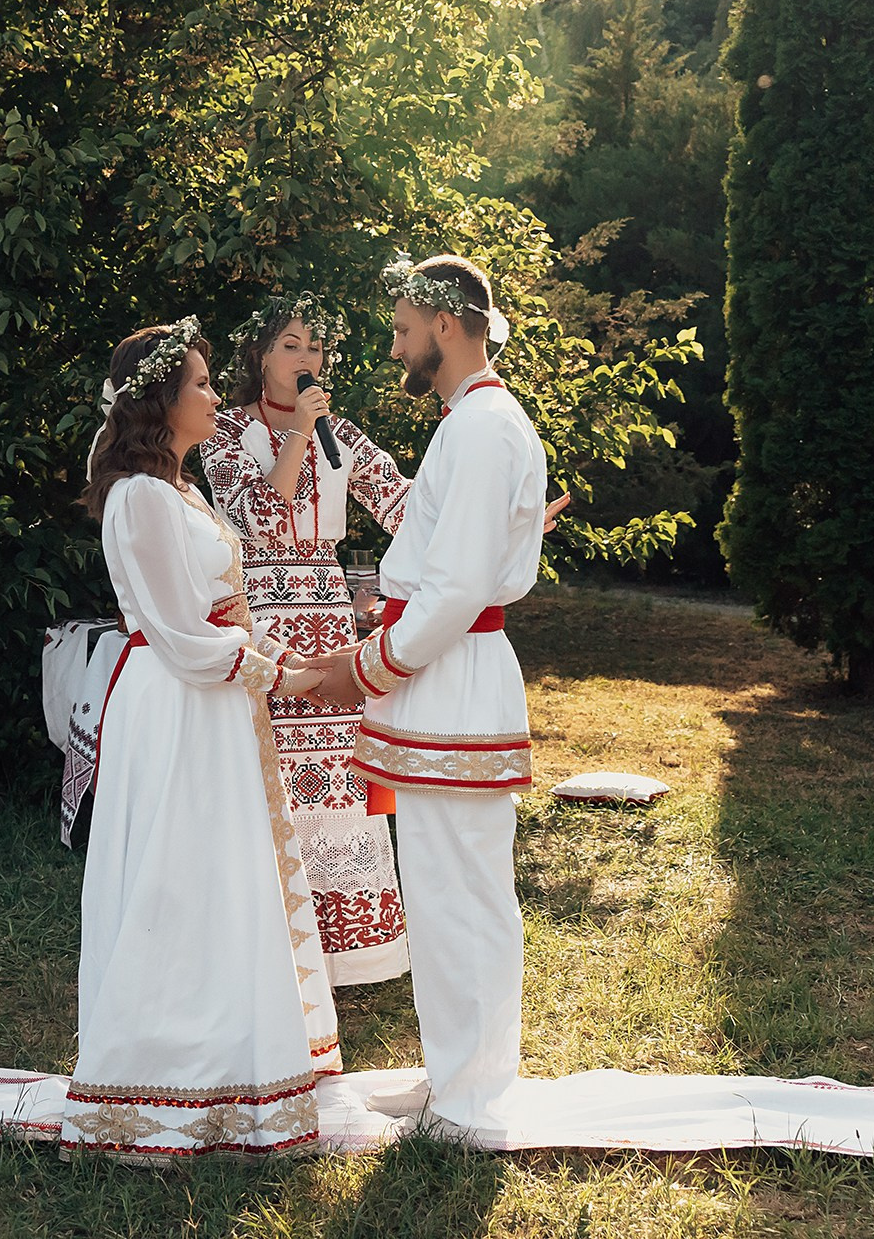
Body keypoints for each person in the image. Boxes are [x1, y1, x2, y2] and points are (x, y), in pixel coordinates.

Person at [59, 319, 342, 1163]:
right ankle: (162, 1069)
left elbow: (210, 615)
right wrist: (283, 673)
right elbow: (179, 635)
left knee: (218, 872)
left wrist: (270, 660)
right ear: (161, 402)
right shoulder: (141, 497)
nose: (216, 396)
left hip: (210, 702)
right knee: (178, 874)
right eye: (204, 385)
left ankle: (229, 1048)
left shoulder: (176, 490)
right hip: (178, 705)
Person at [302, 254, 548, 1137]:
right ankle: (454, 1076)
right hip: (440, 681)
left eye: (404, 329)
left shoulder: (483, 427)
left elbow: (455, 591)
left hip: (455, 678)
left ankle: (474, 1098)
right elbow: (441, 555)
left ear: (445, 327)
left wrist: (367, 663)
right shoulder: (469, 421)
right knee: (441, 888)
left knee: (466, 891)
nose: (397, 345)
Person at [198, 293, 416, 987]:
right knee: (271, 773)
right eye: (291, 345)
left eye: (314, 348)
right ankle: (272, 954)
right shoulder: (223, 430)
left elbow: (404, 504)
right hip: (261, 611)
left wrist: (503, 517)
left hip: (326, 612)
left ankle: (351, 952)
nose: (305, 359)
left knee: (335, 780)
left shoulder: (340, 433)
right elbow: (262, 515)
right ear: (260, 356)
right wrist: (296, 431)